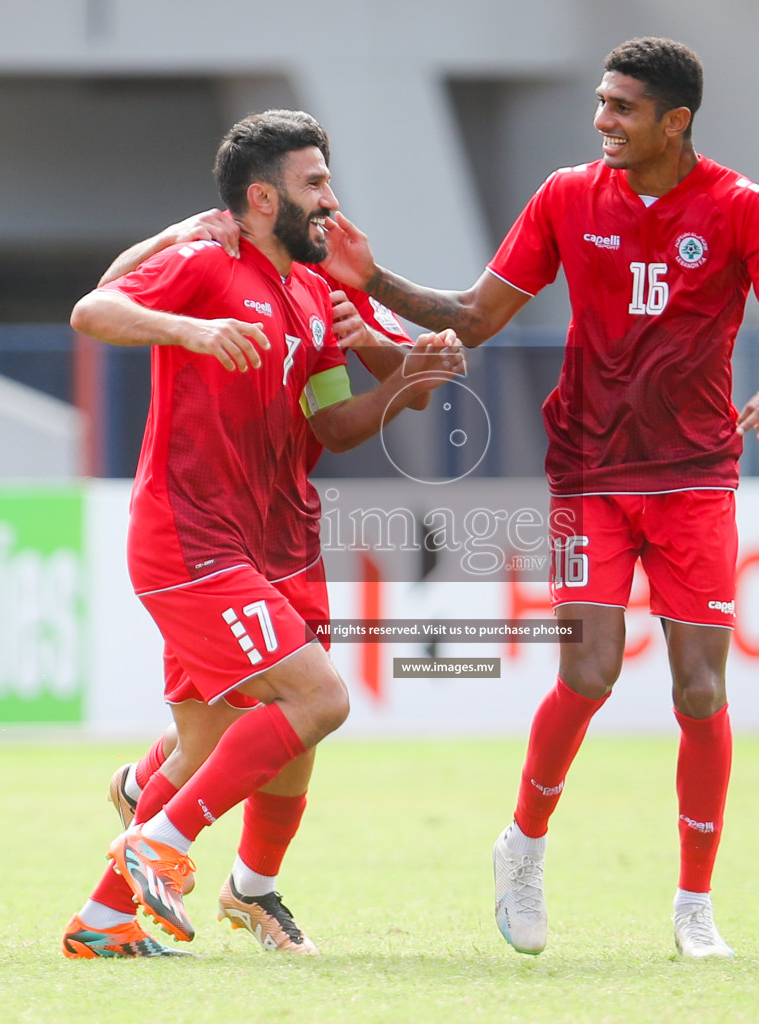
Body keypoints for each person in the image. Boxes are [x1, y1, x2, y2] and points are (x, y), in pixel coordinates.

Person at [321, 37, 759, 958]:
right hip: (588, 472)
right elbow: (474, 315)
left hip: (694, 478)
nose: (602, 120)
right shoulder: (565, 197)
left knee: (699, 688)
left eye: (622, 108)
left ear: (675, 122)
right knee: (588, 671)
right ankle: (522, 847)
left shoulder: (742, 207)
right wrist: (375, 281)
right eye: (600, 102)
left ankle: (693, 907)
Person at [61, 109, 463, 959]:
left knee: (229, 741)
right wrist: (191, 329)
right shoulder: (206, 261)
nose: (330, 199)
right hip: (191, 532)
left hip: (280, 538)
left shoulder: (316, 290)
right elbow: (94, 310)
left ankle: (104, 920)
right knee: (317, 700)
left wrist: (408, 381)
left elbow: (334, 425)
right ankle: (160, 840)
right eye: (313, 183)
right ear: (261, 196)